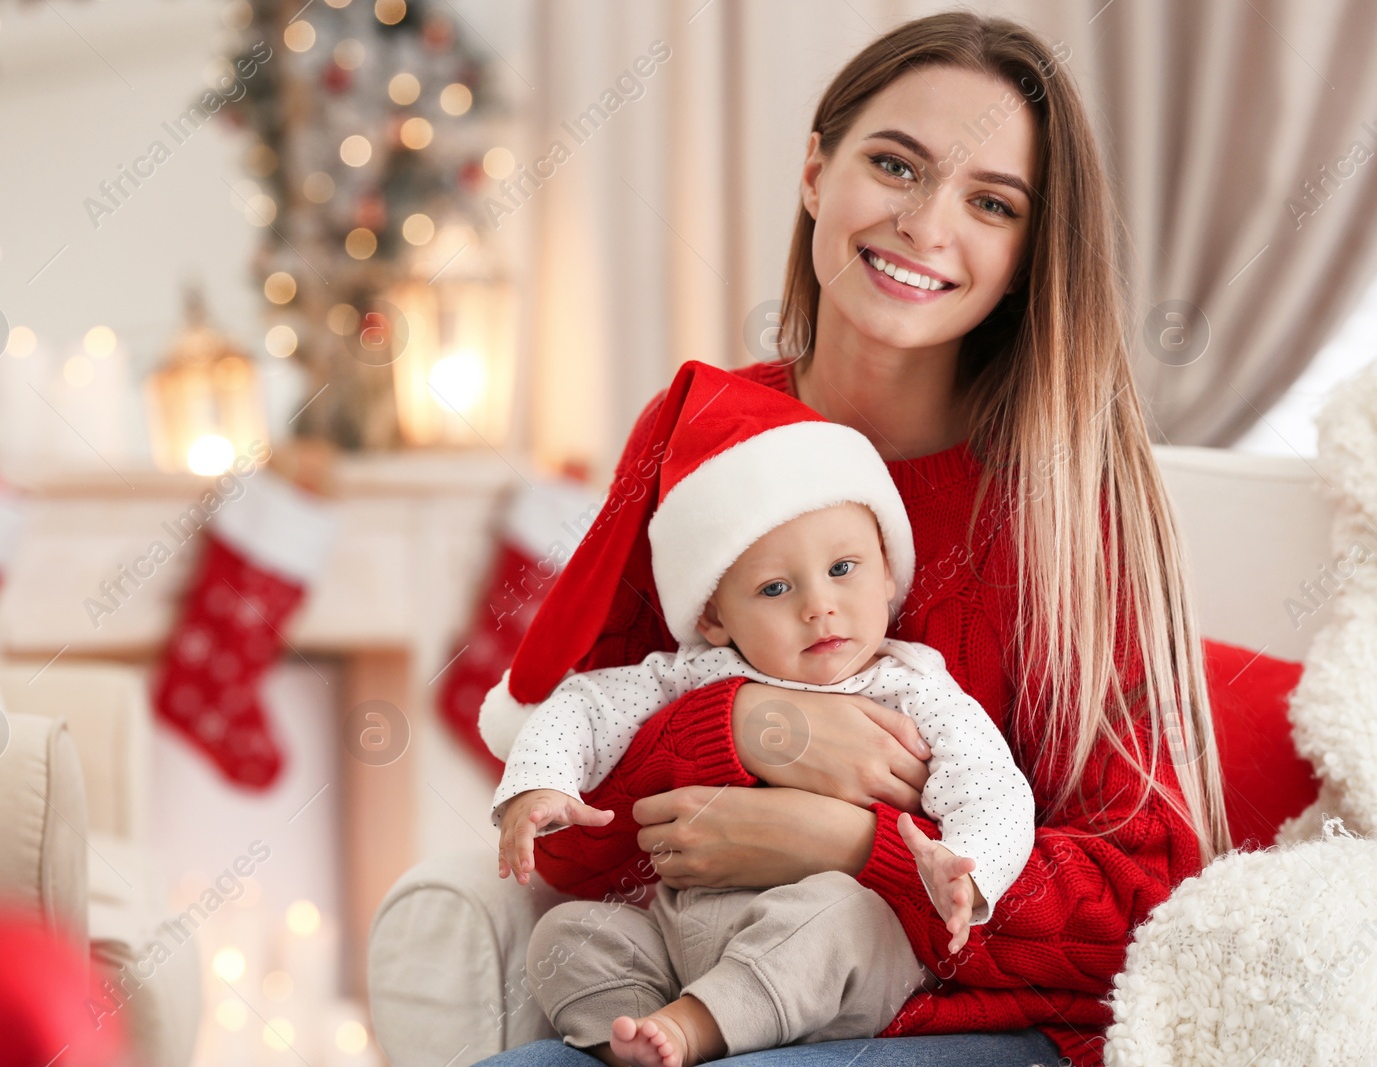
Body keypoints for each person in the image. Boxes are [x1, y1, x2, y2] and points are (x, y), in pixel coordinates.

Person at [470, 10, 1227, 1067]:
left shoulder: (1067, 496)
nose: (925, 224)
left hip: (973, 1023)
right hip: (693, 993)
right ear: (817, 172)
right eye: (894, 165)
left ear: (1024, 255)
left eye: (990, 202)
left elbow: (1140, 904)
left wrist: (853, 845)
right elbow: (570, 850)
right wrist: (742, 731)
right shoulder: (695, 436)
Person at [485, 362, 1037, 1067]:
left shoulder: (914, 689)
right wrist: (539, 780)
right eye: (776, 587)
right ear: (715, 617)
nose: (819, 605)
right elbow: (588, 705)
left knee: (845, 916)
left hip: (825, 957)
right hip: (682, 933)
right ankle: (635, 1033)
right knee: (565, 935)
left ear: (889, 572)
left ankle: (693, 1030)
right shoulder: (698, 671)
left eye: (844, 569)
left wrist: (968, 868)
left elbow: (990, 785)